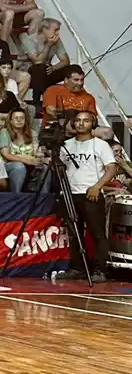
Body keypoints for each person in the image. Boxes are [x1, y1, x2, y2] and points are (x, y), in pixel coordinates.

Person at [58, 110, 116, 283]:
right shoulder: (66, 145)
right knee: (74, 234)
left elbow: (112, 168)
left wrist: (97, 186)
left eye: (86, 120)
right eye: (78, 120)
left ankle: (100, 270)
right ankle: (77, 268)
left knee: (97, 233)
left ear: (93, 124)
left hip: (91, 193)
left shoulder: (100, 145)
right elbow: (60, 168)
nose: (81, 123)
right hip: (70, 193)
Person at [0, 109, 39, 193]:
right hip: (6, 166)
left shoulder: (33, 133)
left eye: (21, 118)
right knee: (19, 166)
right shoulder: (4, 132)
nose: (19, 120)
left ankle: (42, 199)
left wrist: (40, 159)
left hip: (28, 166)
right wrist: (25, 159)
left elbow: (36, 154)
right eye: (16, 118)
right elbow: (6, 155)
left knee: (45, 167)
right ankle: (16, 196)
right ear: (11, 121)